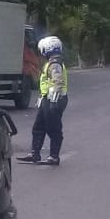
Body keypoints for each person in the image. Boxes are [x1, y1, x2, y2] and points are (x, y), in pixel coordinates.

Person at [18, 36, 69, 166]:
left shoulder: (55, 64)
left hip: (55, 100)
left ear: (48, 49)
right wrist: (42, 98)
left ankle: (54, 157)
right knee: (38, 127)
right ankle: (34, 154)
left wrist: (53, 101)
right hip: (48, 99)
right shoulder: (52, 62)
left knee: (53, 128)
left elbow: (57, 81)